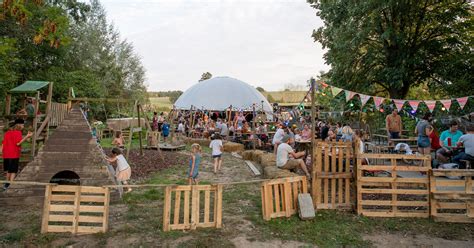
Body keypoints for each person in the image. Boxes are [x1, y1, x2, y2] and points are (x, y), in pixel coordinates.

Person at [2, 119, 32, 190]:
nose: (23, 126)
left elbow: (3, 143)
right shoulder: (18, 133)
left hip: (6, 154)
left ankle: (6, 184)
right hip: (14, 154)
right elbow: (18, 143)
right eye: (22, 125)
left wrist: (1, 151)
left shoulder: (7, 133)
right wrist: (27, 136)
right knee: (13, 171)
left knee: (8, 170)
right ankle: (11, 185)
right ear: (19, 125)